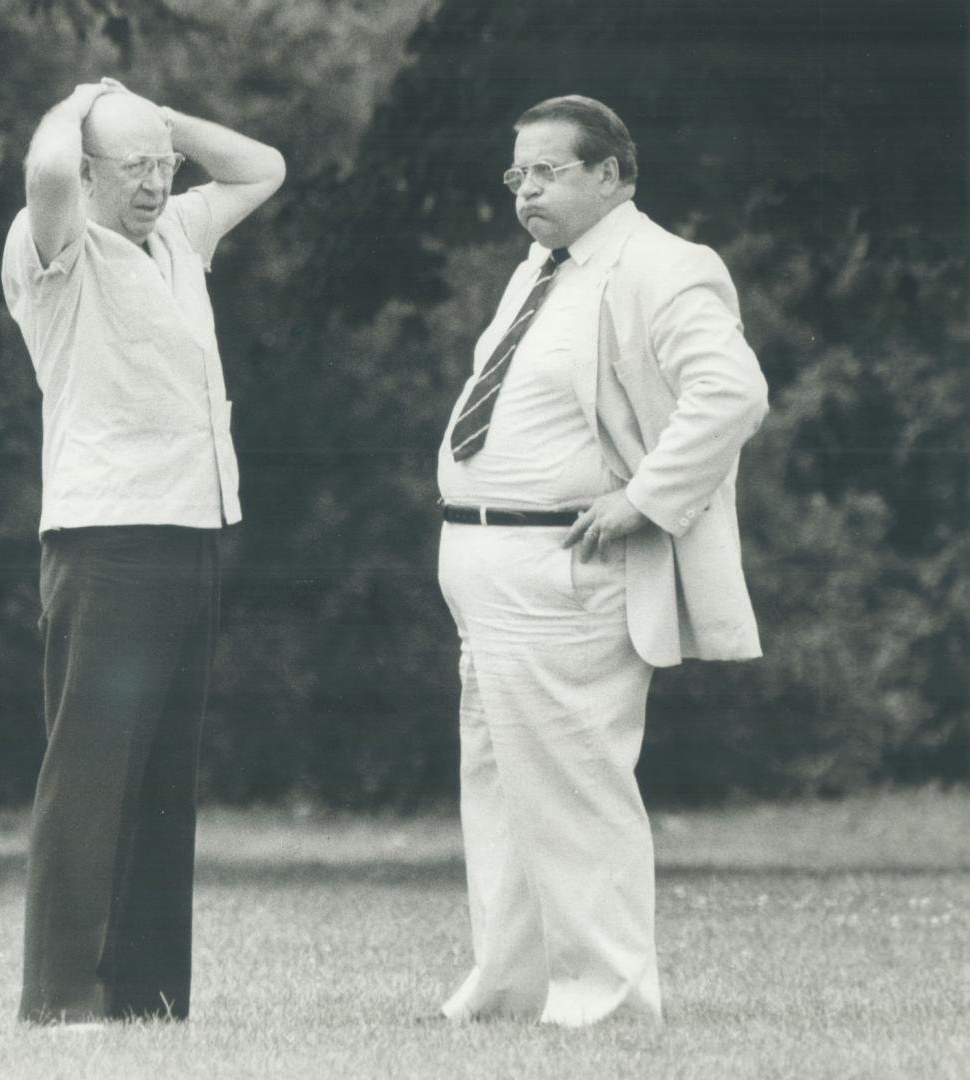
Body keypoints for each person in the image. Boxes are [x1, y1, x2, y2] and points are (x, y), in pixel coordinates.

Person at [434, 95, 768, 1026]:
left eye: (547, 171)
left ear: (612, 174)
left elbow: (731, 393)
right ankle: (513, 986)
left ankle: (608, 998)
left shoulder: (662, 267)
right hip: (486, 562)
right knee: (501, 790)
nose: (525, 189)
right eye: (515, 174)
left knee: (576, 783)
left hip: (567, 566)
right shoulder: (540, 270)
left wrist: (645, 499)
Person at [1, 77, 284, 1025]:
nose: (157, 182)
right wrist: (82, 96)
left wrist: (160, 121)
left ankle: (148, 996)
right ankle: (61, 999)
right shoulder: (57, 249)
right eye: (133, 167)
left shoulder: (181, 235)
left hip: (194, 526)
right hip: (107, 538)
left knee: (165, 771)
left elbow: (263, 166)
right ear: (86, 174)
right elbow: (45, 164)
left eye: (163, 165)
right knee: (89, 771)